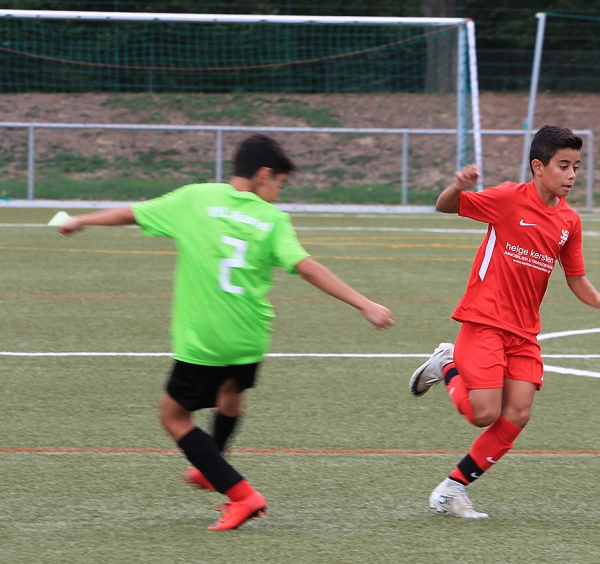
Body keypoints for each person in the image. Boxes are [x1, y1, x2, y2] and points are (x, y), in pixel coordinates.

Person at [56, 133, 394, 530]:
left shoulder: (195, 199)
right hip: (250, 336)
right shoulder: (272, 220)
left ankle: (241, 495)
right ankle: (211, 462)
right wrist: (364, 304)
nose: (278, 194)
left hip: (207, 338)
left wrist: (81, 220)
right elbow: (307, 267)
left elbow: (134, 212)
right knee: (231, 391)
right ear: (264, 174)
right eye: (281, 185)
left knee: (173, 416)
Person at [409, 125, 600, 519]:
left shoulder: (569, 221)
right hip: (486, 318)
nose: (572, 175)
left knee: (518, 415)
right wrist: (457, 186)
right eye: (563, 166)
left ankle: (452, 489)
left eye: (576, 166)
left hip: (524, 331)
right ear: (538, 167)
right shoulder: (509, 198)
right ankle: (448, 364)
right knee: (483, 414)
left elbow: (575, 277)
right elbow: (445, 206)